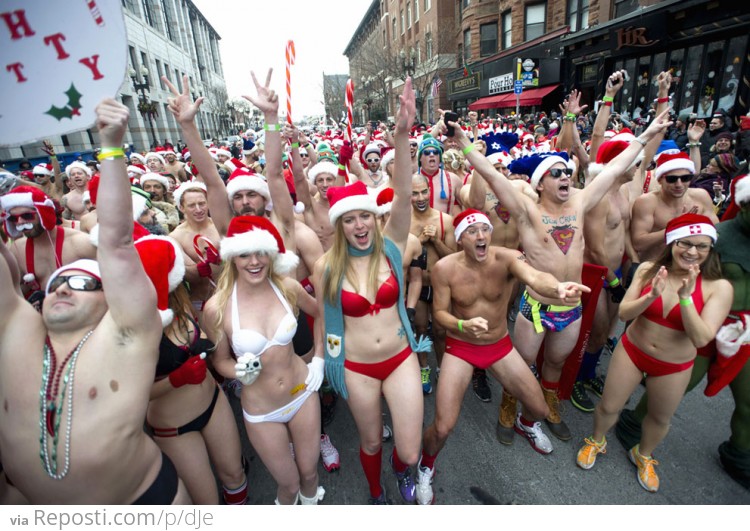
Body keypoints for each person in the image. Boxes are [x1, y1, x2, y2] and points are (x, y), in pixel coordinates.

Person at [453, 80, 675, 442]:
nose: (565, 177)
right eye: (556, 173)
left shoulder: (581, 201)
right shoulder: (526, 211)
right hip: (537, 306)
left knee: (554, 363)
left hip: (570, 306)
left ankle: (543, 409)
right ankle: (510, 409)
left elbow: (617, 167)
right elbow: (493, 175)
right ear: (540, 183)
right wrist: (465, 144)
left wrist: (647, 132)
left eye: (567, 173)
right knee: (522, 364)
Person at [0, 98, 191, 503]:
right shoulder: (13, 332)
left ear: (111, 304)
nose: (64, 288)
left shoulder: (125, 337)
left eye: (83, 284)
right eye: (56, 284)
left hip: (143, 501)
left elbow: (118, 242)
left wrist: (111, 146)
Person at [418, 209, 590, 503]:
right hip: (461, 347)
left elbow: (536, 277)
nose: (481, 235)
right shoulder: (444, 269)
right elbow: (440, 316)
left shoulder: (508, 258)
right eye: (473, 232)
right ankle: (426, 465)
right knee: (444, 425)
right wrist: (463, 325)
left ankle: (524, 424)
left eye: (485, 229)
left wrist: (557, 287)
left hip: (499, 345)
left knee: (539, 409)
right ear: (460, 240)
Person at [313, 78, 430, 504]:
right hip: (358, 368)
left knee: (409, 448)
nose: (360, 226)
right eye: (350, 220)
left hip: (400, 359)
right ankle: (376, 490)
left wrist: (402, 135)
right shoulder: (326, 266)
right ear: (340, 225)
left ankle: (404, 472)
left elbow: (402, 194)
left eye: (365, 217)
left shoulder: (393, 248)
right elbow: (324, 319)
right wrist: (319, 364)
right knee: (370, 443)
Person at [576, 213, 733, 493]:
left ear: (711, 249)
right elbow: (624, 312)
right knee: (608, 406)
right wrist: (650, 296)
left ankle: (643, 454)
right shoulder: (649, 269)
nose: (693, 252)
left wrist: (686, 299)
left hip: (674, 365)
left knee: (660, 418)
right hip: (633, 351)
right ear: (672, 243)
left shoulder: (719, 287)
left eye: (702, 246)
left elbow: (701, 338)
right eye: (685, 243)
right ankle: (596, 440)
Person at [202, 215, 324, 505]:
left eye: (261, 253)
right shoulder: (216, 308)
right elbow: (220, 362)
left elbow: (320, 314)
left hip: (302, 393)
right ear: (232, 258)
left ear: (272, 256)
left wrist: (319, 358)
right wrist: (238, 371)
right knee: (289, 484)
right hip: (262, 411)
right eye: (244, 254)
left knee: (309, 475)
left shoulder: (287, 288)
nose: (254, 262)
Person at [140, 234, 248, 505]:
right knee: (206, 501)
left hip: (213, 403)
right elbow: (131, 397)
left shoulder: (180, 300)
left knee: (235, 475)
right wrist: (176, 379)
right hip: (174, 426)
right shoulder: (129, 329)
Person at [1, 186, 96, 305]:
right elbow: (11, 291)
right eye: (14, 218)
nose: (20, 222)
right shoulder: (17, 249)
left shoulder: (80, 242)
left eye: (27, 216)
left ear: (43, 213)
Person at [409, 172, 456, 394]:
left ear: (430, 191)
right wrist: (419, 241)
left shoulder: (444, 220)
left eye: (423, 192)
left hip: (440, 287)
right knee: (420, 329)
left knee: (440, 331)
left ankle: (443, 368)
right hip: (416, 286)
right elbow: (398, 258)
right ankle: (424, 367)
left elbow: (454, 257)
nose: (420, 197)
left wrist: (436, 240)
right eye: (414, 193)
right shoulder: (403, 222)